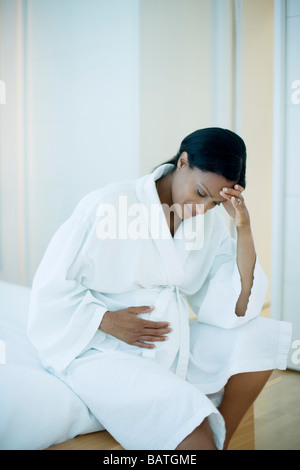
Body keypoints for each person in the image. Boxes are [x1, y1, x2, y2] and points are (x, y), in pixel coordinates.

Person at [27, 127, 292, 450]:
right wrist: (105, 320)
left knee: (262, 336)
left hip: (170, 340)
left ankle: (217, 444)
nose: (202, 208)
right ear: (183, 162)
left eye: (213, 201)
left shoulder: (206, 220)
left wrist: (244, 228)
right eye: (199, 191)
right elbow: (49, 287)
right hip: (103, 348)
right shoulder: (110, 204)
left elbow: (234, 305)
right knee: (191, 424)